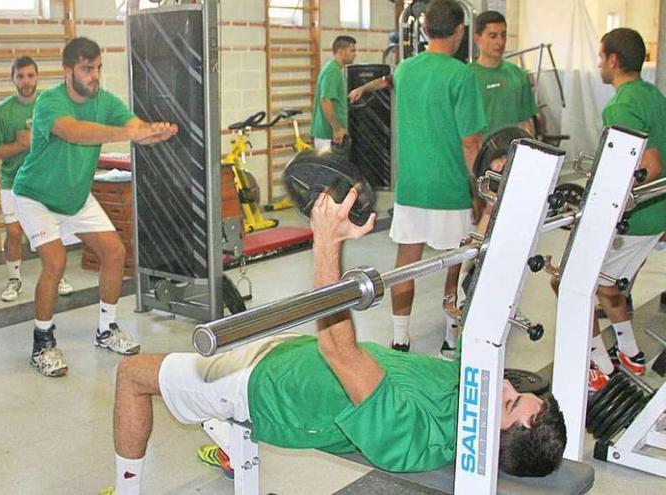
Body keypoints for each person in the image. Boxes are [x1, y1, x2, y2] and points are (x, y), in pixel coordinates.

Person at [98, 188, 567, 495]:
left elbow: (338, 350)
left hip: (259, 388)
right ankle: (226, 442)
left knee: (131, 375)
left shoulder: (415, 439)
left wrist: (326, 241)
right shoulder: (471, 395)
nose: (505, 386)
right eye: (517, 392)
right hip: (286, 350)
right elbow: (479, 319)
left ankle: (127, 488)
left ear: (494, 443)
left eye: (508, 405)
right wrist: (492, 225)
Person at [12, 37, 177, 377]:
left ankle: (106, 329)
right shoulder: (49, 103)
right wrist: (128, 134)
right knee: (55, 261)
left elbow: (130, 123)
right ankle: (42, 342)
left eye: (98, 68)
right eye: (87, 69)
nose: (94, 76)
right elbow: (75, 133)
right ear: (68, 70)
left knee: (115, 253)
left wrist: (147, 131)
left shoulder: (105, 101)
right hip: (36, 196)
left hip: (75, 197)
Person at [388, 0, 486, 354]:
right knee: (456, 264)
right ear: (460, 31)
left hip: (411, 187)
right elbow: (471, 142)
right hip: (449, 188)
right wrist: (480, 190)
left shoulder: (403, 71)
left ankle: (400, 337)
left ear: (425, 30)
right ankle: (450, 336)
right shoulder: (462, 75)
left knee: (405, 263)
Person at [447, 10, 540, 349]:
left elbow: (528, 123)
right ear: (477, 38)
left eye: (503, 35)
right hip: (481, 179)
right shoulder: (466, 76)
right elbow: (464, 136)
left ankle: (500, 309)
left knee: (514, 246)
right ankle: (458, 320)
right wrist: (475, 186)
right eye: (492, 36)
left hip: (517, 175)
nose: (499, 42)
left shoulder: (516, 75)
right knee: (474, 249)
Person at [586, 28, 666, 391]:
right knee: (609, 285)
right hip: (658, 215)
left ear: (613, 60)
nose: (600, 63)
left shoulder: (620, 105)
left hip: (638, 218)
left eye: (602, 57)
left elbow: (648, 165)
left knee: (571, 282)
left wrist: (607, 203)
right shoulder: (653, 95)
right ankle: (630, 355)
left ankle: (599, 366)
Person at [0, 55, 74, 303]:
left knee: (52, 231)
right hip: (13, 182)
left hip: (45, 181)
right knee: (14, 232)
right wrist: (18, 145)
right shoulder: (2, 112)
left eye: (30, 75)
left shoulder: (50, 107)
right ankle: (14, 279)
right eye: (20, 76)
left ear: (37, 76)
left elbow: (63, 139)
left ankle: (58, 275)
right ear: (13, 79)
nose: (26, 81)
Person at [311, 35, 357, 151]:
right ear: (340, 52)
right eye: (352, 50)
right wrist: (336, 129)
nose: (355, 54)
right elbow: (325, 101)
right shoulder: (332, 71)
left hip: (330, 135)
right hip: (328, 136)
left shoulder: (334, 69)